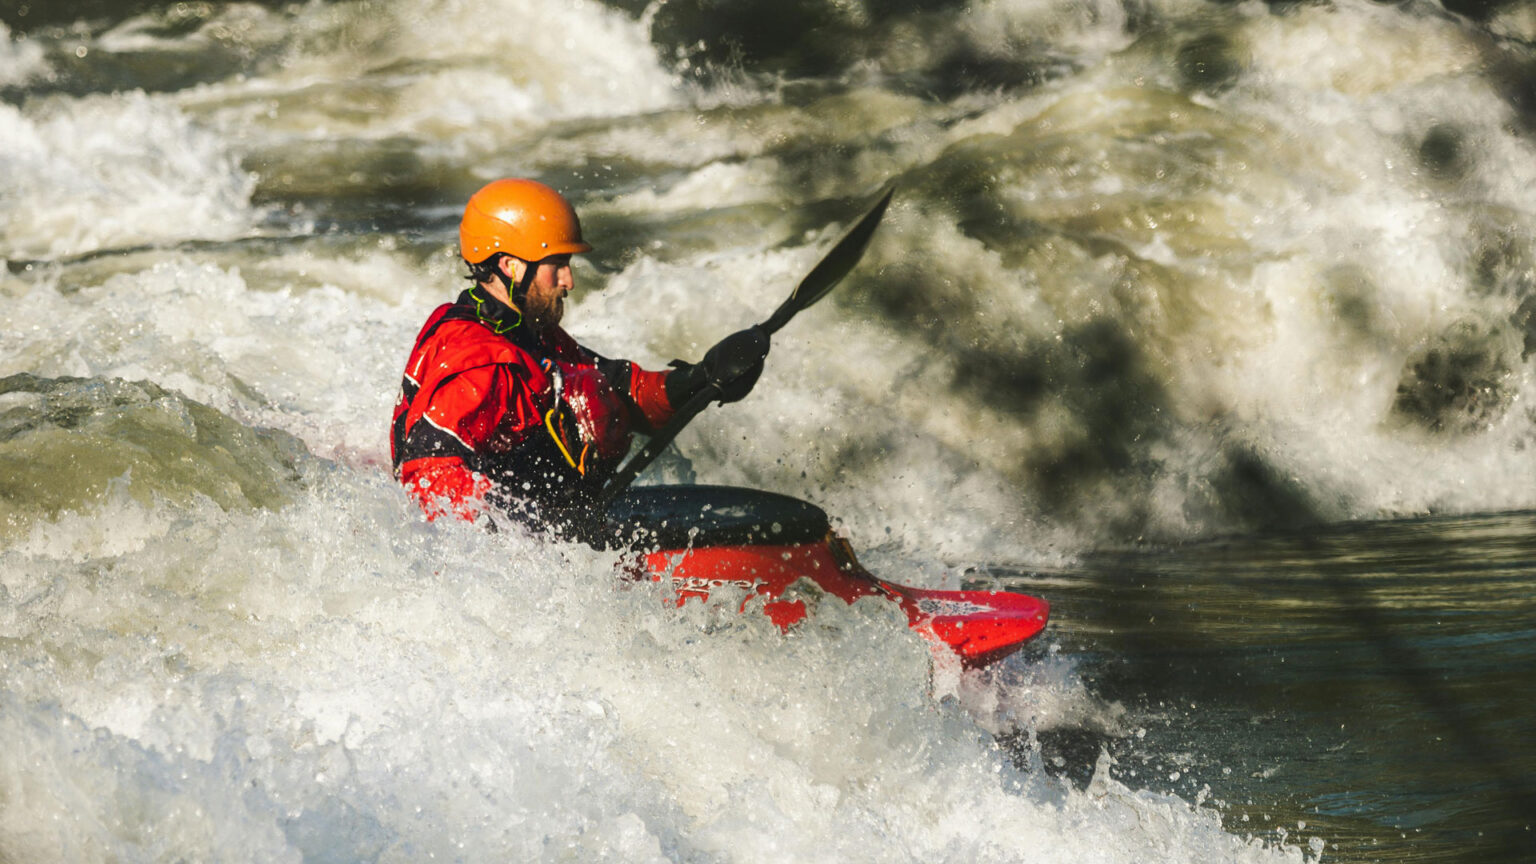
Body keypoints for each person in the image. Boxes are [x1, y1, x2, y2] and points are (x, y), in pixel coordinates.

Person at [390, 178, 767, 533]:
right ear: (511, 266)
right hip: (515, 554)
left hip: (557, 524)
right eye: (557, 266)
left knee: (591, 392)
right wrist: (538, 533)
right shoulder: (481, 362)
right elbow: (428, 479)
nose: (569, 281)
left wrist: (701, 380)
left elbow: (625, 390)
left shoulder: (527, 333)